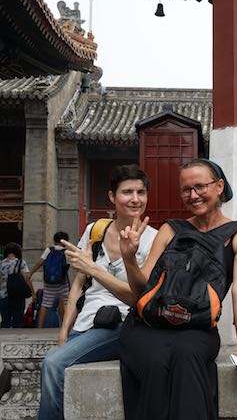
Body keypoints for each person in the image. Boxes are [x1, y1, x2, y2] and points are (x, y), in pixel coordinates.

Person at [115, 158, 237, 420]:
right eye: (186, 190)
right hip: (148, 325)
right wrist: (129, 258)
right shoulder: (171, 229)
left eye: (200, 187)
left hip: (197, 326)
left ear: (219, 186)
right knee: (155, 361)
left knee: (188, 356)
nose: (193, 195)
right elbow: (142, 289)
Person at [38, 165, 158, 420]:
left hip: (124, 323)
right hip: (87, 322)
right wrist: (64, 331)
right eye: (127, 192)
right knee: (58, 361)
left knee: (53, 364)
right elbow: (79, 283)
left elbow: (139, 296)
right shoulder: (95, 231)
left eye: (141, 192)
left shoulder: (154, 240)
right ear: (112, 196)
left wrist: (94, 268)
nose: (135, 199)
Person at [28, 231, 71, 328]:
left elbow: (40, 262)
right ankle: (65, 326)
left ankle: (40, 327)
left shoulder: (48, 250)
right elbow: (68, 265)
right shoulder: (66, 252)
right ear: (65, 241)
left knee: (45, 304)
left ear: (54, 241)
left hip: (49, 282)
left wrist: (31, 272)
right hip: (62, 282)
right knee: (65, 302)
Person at [0, 242, 33, 328]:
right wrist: (33, 293)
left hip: (3, 296)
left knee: (5, 322)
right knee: (18, 321)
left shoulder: (1, 263)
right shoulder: (21, 263)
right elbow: (27, 278)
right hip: (17, 296)